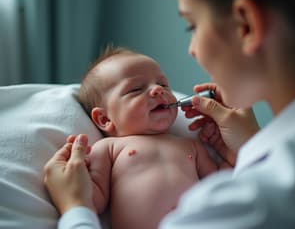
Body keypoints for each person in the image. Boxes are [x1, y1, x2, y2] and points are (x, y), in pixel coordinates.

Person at [44, 0, 295, 228]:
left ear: (246, 24)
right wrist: (250, 147)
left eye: (192, 25)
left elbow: (225, 183)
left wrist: (74, 207)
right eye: (135, 90)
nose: (192, 50)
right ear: (104, 119)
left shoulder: (238, 206)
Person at [47, 45, 219, 229]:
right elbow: (94, 201)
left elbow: (220, 186)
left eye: (162, 84)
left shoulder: (191, 145)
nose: (157, 90)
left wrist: (227, 145)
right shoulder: (109, 148)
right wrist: (74, 172)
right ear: (105, 119)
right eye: (136, 89)